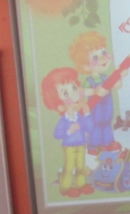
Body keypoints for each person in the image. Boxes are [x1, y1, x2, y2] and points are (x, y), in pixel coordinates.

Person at [40, 67, 94, 198]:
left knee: (81, 167)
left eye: (74, 88)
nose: (73, 95)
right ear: (60, 106)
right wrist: (70, 131)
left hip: (81, 145)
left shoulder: (80, 117)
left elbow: (89, 129)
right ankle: (65, 188)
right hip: (69, 147)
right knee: (69, 168)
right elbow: (57, 134)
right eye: (65, 93)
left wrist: (87, 113)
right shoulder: (64, 120)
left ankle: (81, 185)